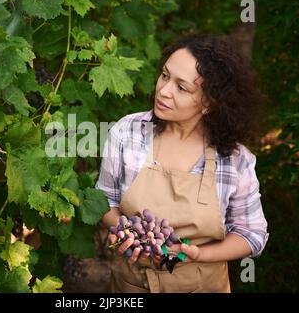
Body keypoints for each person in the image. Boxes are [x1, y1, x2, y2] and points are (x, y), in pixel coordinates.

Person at [95, 34, 269, 293]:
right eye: (165, 76)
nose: (163, 91)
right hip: (130, 285)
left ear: (209, 102)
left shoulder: (234, 160)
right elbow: (104, 200)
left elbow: (251, 235)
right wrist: (125, 231)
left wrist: (197, 254)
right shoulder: (127, 133)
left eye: (181, 87)